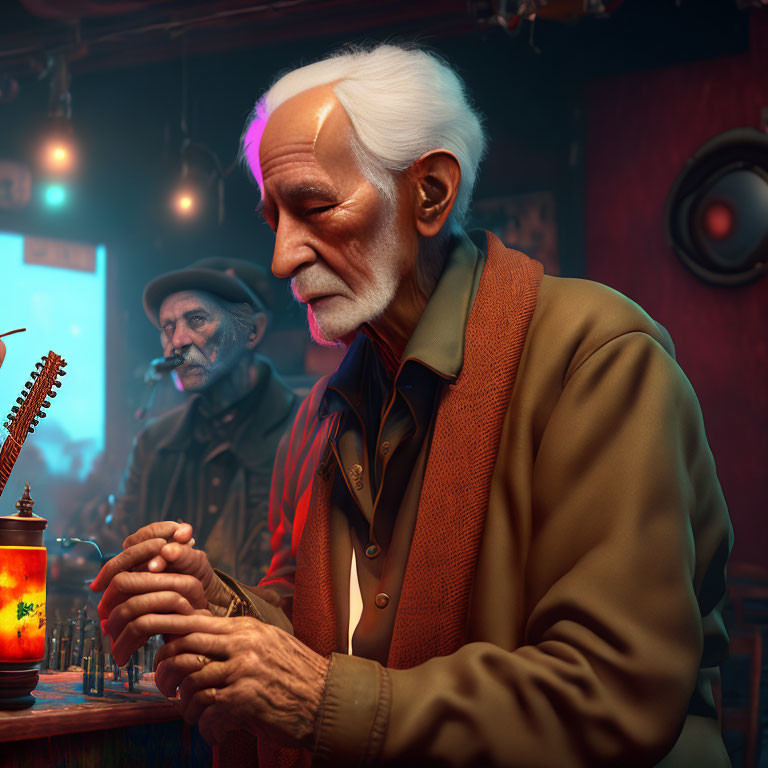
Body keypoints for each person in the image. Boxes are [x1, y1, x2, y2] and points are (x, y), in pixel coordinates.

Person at [91, 45, 733, 767]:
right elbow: (318, 622)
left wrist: (325, 702)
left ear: (429, 193)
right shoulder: (322, 414)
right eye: (274, 218)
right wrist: (220, 607)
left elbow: (615, 691)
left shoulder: (594, 360)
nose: (282, 257)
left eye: (315, 206)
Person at [100, 257, 298, 585]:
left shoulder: (307, 433)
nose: (178, 341)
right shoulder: (153, 443)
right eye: (168, 327)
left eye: (197, 319)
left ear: (253, 331)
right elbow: (118, 550)